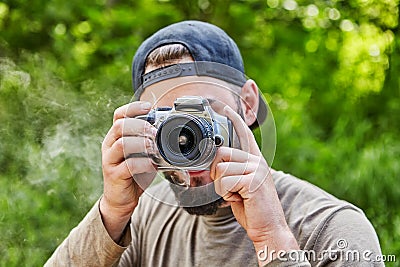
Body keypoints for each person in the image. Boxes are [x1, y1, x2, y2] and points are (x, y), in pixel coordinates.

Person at [45, 20, 383, 267]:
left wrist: (272, 240)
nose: (185, 141)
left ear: (248, 104)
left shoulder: (331, 228)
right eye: (167, 121)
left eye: (202, 114)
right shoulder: (148, 215)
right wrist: (112, 213)